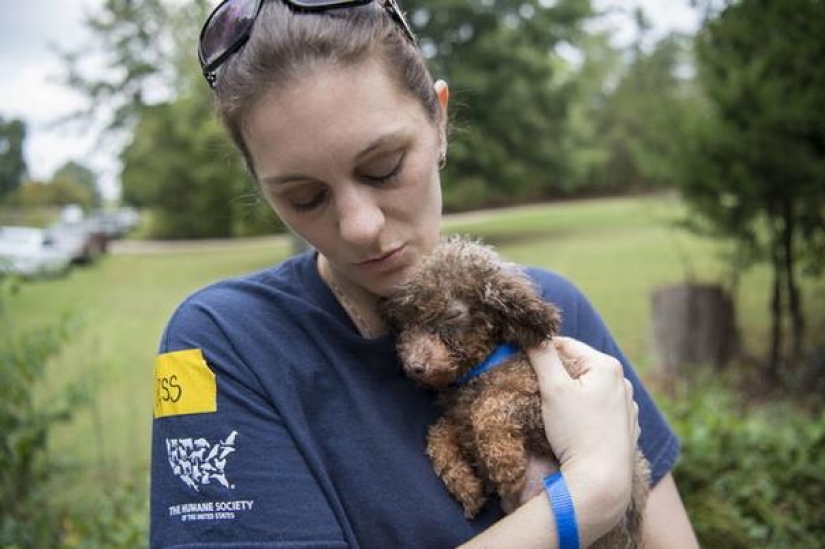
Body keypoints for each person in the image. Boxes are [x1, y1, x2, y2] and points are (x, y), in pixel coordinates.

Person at [150, 1, 699, 547]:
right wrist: (589, 495)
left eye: (383, 168)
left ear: (438, 121)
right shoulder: (219, 346)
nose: (360, 226)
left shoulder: (549, 307)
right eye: (305, 197)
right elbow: (599, 493)